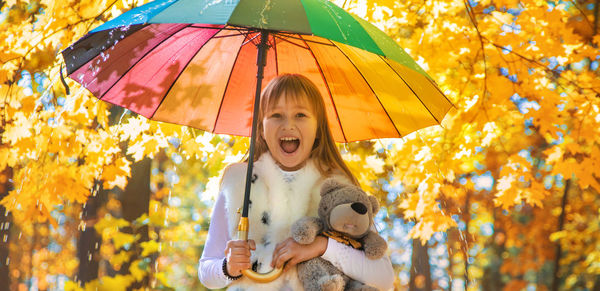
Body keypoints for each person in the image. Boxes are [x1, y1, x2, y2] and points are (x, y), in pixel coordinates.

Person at [198, 74, 394, 290]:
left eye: (300, 114)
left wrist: (322, 247)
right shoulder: (239, 183)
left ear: (318, 128)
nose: (288, 124)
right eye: (276, 115)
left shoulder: (339, 189)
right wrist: (228, 267)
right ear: (261, 129)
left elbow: (384, 277)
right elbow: (207, 270)